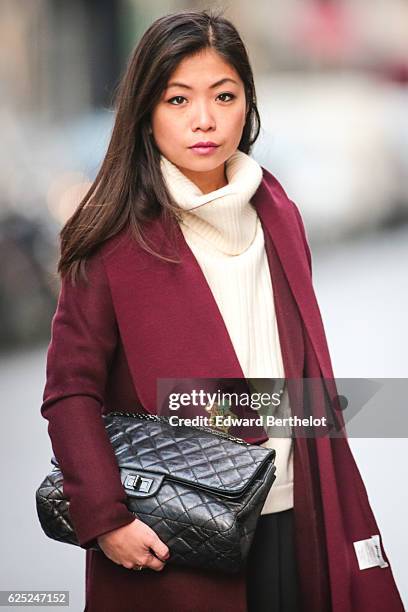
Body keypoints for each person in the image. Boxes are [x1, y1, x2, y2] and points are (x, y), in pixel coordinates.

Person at [40, 8, 404, 612]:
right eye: (177, 99)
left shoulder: (279, 215)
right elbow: (69, 390)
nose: (204, 120)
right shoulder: (111, 238)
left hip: (293, 514)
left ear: (247, 105)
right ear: (145, 113)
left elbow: (298, 377)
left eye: (223, 95)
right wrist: (105, 519)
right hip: (176, 530)